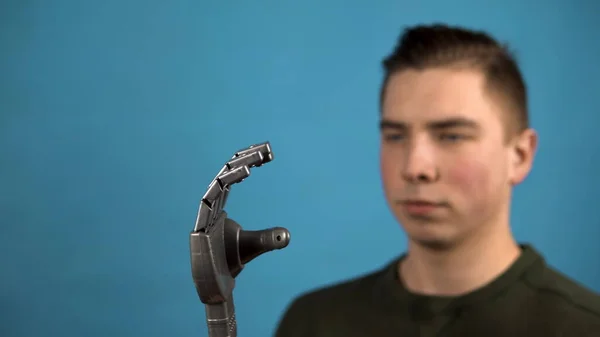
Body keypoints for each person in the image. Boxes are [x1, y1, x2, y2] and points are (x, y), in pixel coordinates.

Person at [274, 23, 600, 337]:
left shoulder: (584, 327)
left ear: (519, 156)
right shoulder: (312, 323)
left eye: (451, 136)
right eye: (396, 136)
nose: (415, 168)